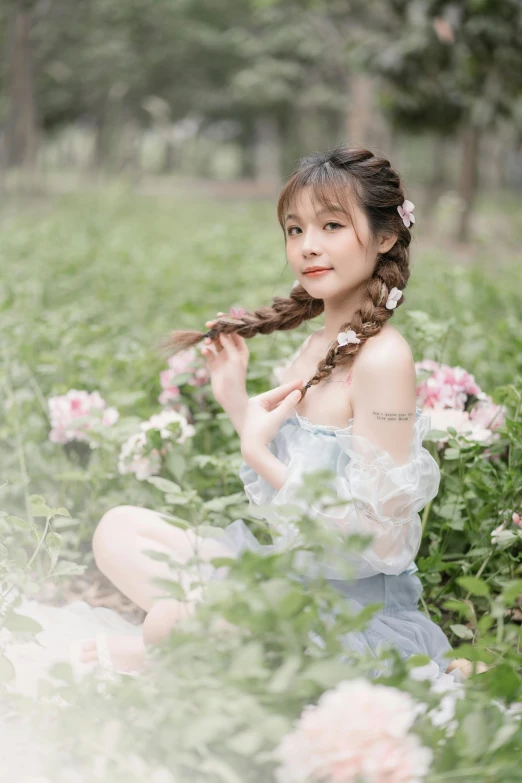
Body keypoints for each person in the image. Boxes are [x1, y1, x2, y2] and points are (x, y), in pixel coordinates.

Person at [5, 144, 471, 694]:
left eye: (331, 225)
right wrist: (235, 402)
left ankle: (171, 647)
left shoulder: (383, 359)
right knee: (118, 530)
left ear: (386, 236)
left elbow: (382, 543)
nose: (308, 247)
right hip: (283, 579)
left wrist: (257, 455)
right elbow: (290, 510)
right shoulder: (314, 349)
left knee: (171, 619)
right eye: (295, 230)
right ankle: (199, 634)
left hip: (346, 613)